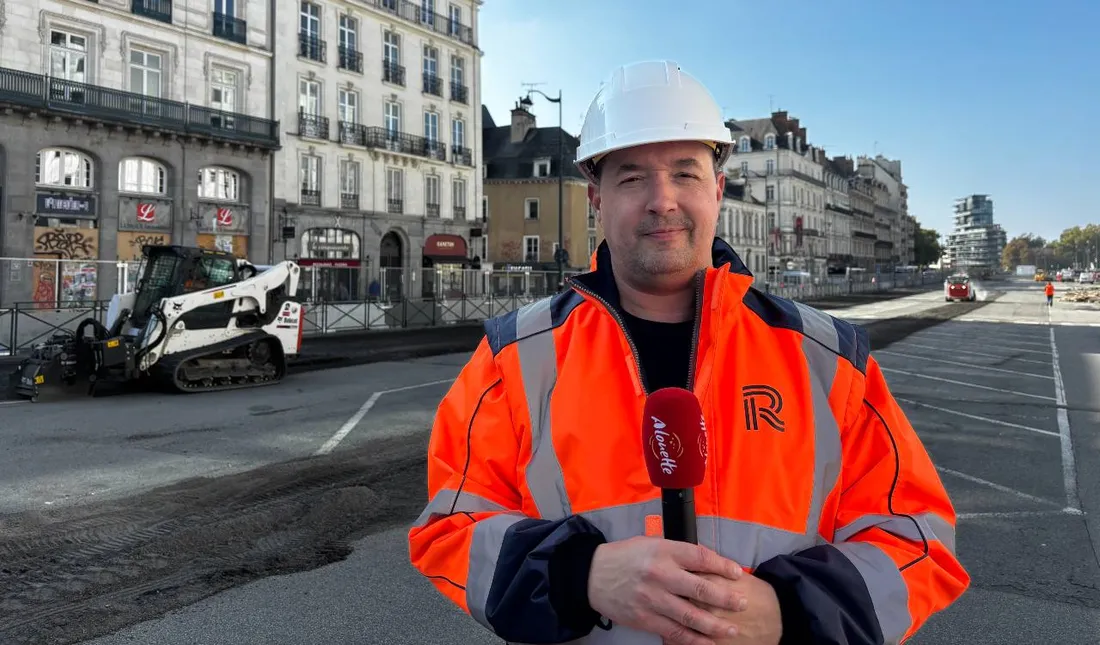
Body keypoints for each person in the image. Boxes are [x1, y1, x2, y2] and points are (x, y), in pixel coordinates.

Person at [408, 60, 969, 645]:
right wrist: (581, 575)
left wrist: (789, 610)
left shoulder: (826, 359)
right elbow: (449, 528)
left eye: (685, 173)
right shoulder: (514, 358)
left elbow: (917, 537)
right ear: (596, 196)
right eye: (632, 178)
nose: (663, 201)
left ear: (718, 188)